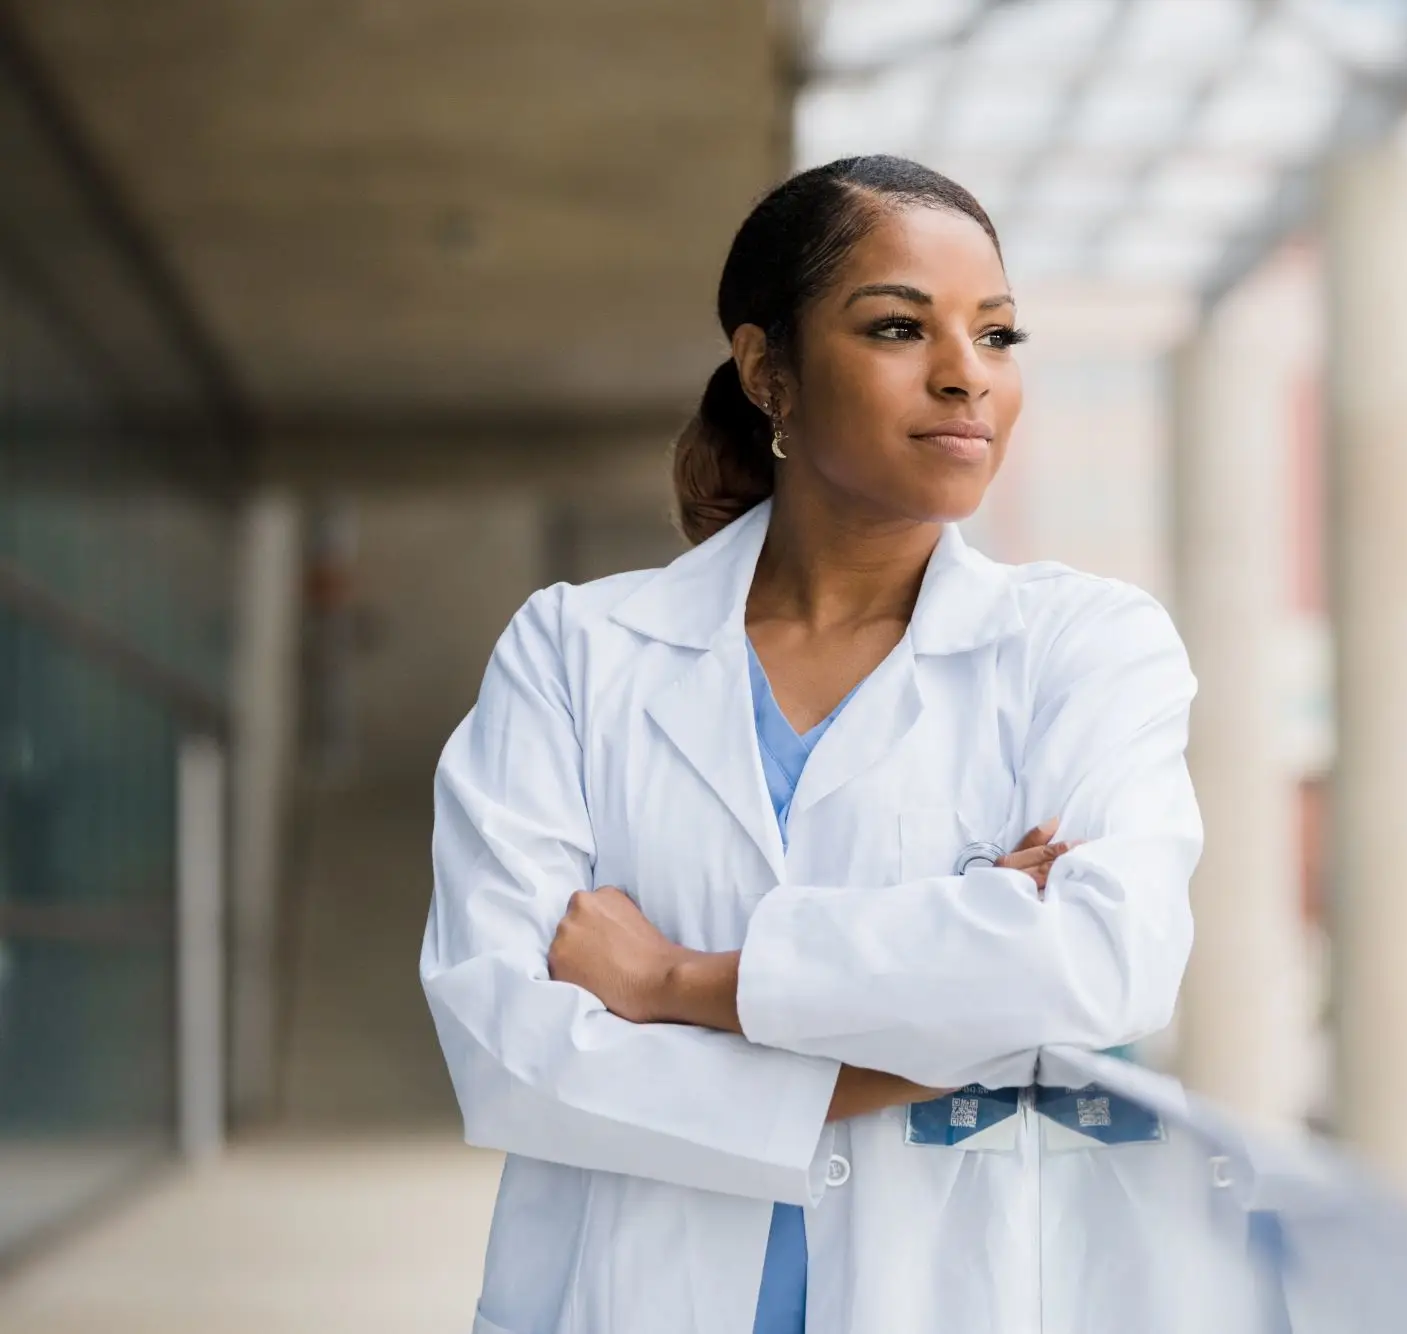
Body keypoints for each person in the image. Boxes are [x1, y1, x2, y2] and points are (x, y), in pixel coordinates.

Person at [421, 155, 1202, 1334]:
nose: (964, 377)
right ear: (765, 369)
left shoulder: (1084, 647)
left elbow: (1106, 961)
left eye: (996, 336)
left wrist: (672, 984)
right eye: (899, 325)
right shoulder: (575, 652)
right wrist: (921, 1038)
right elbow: (507, 1047)